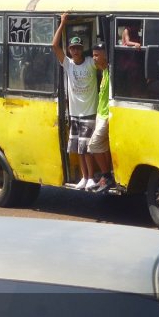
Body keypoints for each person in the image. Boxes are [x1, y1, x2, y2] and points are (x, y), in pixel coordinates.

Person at [52, 13, 98, 190]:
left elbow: (103, 63)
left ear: (82, 48)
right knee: (79, 148)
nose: (76, 51)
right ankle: (84, 178)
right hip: (74, 113)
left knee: (87, 148)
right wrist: (63, 23)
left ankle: (91, 177)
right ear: (70, 50)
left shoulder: (90, 63)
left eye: (78, 48)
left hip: (89, 111)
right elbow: (54, 45)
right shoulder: (68, 64)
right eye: (73, 48)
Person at [88, 43, 116, 193]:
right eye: (93, 55)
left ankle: (106, 175)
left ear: (105, 56)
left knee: (94, 145)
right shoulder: (104, 71)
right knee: (103, 146)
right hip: (101, 113)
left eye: (97, 55)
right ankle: (107, 176)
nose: (94, 58)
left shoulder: (111, 71)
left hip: (106, 115)